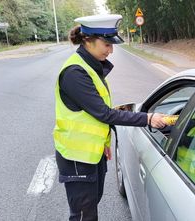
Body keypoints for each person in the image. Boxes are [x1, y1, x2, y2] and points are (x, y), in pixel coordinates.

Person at [53, 14, 167, 221]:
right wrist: (147, 118)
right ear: (88, 40)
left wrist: (103, 141)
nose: (111, 50)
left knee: (91, 205)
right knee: (82, 215)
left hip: (91, 152)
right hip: (77, 156)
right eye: (106, 44)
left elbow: (93, 114)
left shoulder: (91, 66)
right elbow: (104, 113)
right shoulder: (75, 72)